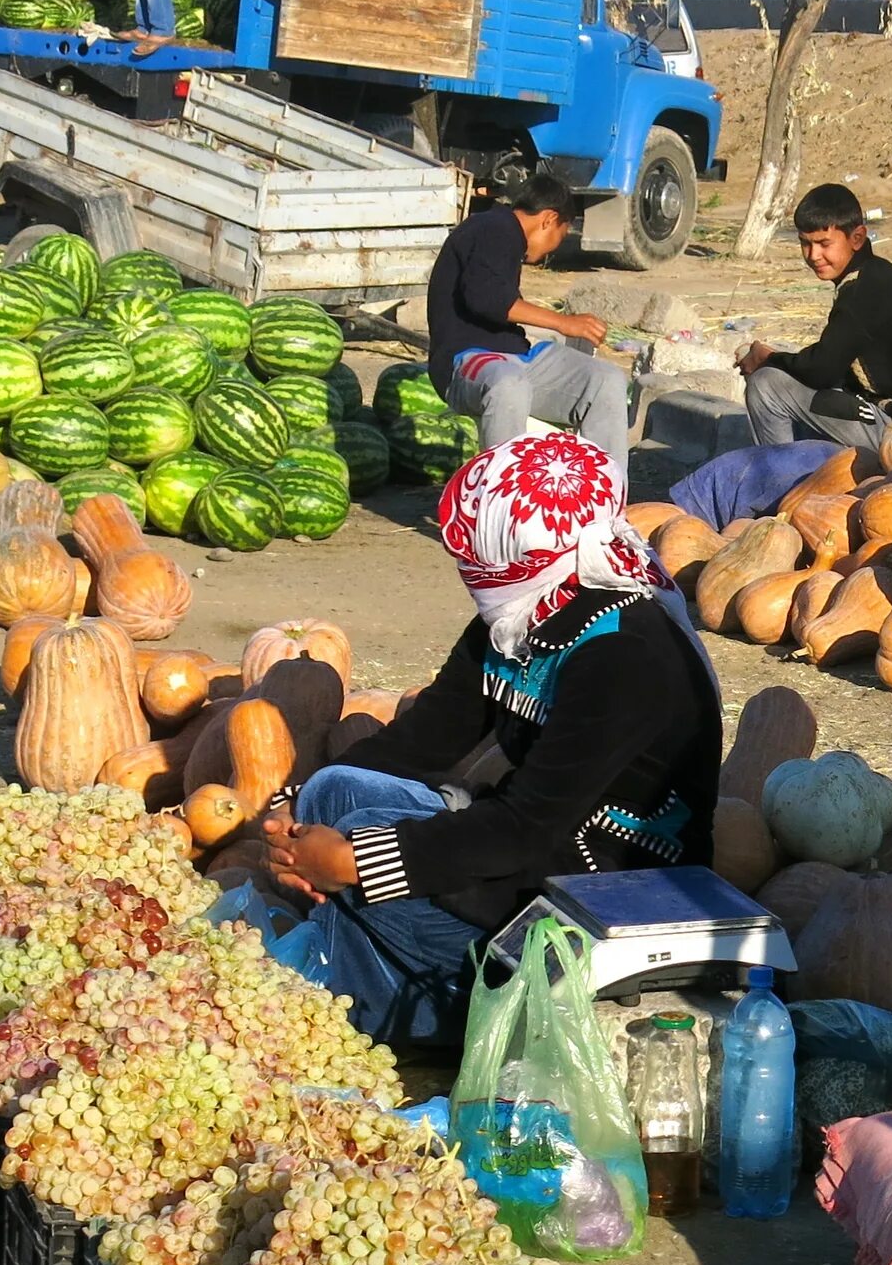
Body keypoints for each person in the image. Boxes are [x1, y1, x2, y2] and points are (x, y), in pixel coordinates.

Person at [256, 432, 723, 1045]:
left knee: (360, 857)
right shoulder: (527, 612)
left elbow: (525, 829)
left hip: (592, 900)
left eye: (477, 558)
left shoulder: (625, 657)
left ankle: (452, 1017)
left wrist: (355, 864)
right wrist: (290, 805)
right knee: (335, 795)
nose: (469, 574)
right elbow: (420, 742)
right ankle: (367, 970)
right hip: (524, 858)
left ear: (521, 553)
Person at [425, 171, 630, 475]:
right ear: (549, 218)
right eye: (559, 237)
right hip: (464, 360)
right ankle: (505, 503)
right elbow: (488, 300)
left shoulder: (505, 237)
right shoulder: (495, 227)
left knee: (606, 381)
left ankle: (607, 503)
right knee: (509, 383)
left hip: (516, 356)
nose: (551, 250)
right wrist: (563, 323)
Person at [735, 183, 892, 447]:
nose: (814, 255)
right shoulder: (874, 276)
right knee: (793, 371)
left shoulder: (863, 290)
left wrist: (768, 358)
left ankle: (781, 478)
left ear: (857, 238)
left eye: (823, 244)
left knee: (767, 384)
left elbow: (822, 370)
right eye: (805, 244)